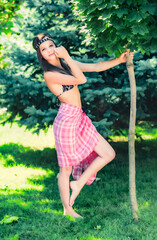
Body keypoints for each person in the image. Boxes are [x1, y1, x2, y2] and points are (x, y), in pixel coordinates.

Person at [33, 33, 134, 218]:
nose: (49, 50)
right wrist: (68, 57)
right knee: (65, 169)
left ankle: (78, 184)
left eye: (50, 45)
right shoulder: (50, 74)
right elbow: (81, 79)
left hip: (79, 118)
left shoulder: (65, 65)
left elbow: (95, 67)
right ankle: (68, 210)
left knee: (108, 153)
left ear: (55, 45)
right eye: (43, 49)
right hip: (66, 121)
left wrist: (119, 60)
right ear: (40, 54)